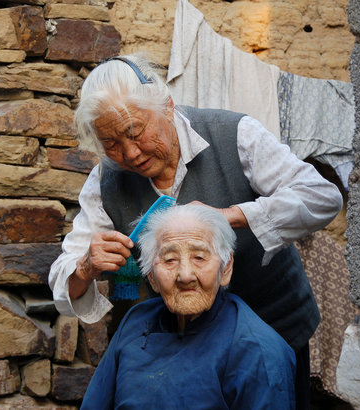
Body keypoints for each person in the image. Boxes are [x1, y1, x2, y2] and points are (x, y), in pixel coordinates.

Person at [48, 54, 343, 409]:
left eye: (135, 132)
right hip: (165, 351)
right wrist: (85, 267)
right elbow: (64, 281)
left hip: (266, 337)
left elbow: (321, 197)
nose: (129, 152)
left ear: (167, 107)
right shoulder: (105, 181)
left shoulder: (235, 136)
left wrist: (231, 215)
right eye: (110, 144)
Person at [81, 204, 296, 409]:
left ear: (226, 267)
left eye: (199, 257)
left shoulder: (258, 351)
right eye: (170, 260)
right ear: (151, 278)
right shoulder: (136, 321)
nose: (185, 276)